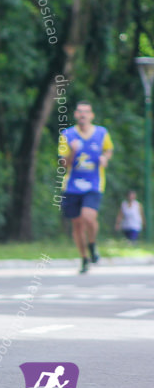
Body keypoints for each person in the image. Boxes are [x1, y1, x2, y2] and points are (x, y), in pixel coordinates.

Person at [59, 101, 113, 273]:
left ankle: (92, 244)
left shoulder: (101, 133)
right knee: (77, 225)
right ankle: (83, 258)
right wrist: (73, 151)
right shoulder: (66, 135)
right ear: (75, 115)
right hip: (72, 185)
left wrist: (105, 158)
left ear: (91, 115)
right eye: (80, 111)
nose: (83, 115)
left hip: (94, 184)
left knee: (88, 217)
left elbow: (108, 149)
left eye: (86, 112)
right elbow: (63, 163)